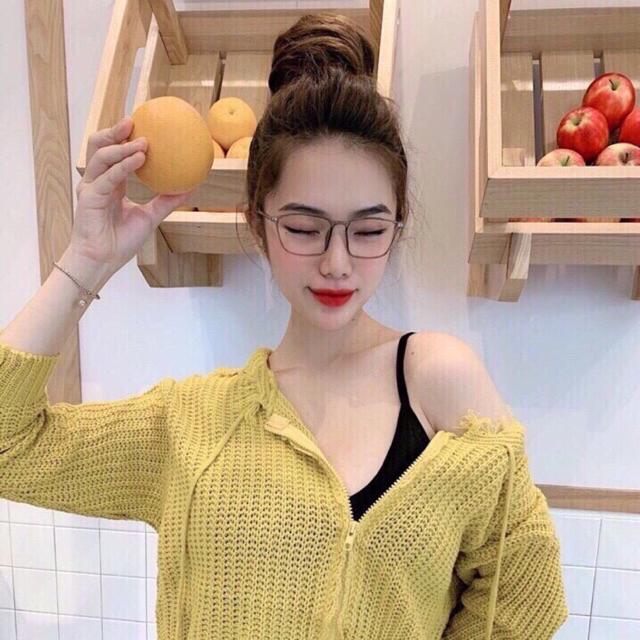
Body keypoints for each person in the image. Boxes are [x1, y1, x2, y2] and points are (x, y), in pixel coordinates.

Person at [0, 12, 568, 640]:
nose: (337, 261)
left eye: (369, 230)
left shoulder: (438, 381)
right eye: (303, 227)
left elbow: (525, 598)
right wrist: (86, 259)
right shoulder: (193, 425)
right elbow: (7, 445)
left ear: (397, 225)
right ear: (259, 223)